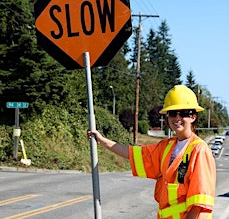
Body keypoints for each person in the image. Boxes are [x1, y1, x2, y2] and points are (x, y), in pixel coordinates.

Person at [88, 85, 216, 219]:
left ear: (193, 117)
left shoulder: (199, 151)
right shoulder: (166, 147)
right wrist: (103, 141)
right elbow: (133, 154)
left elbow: (198, 203)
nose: (177, 118)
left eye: (183, 113)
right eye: (172, 113)